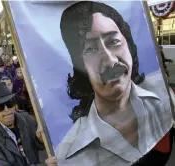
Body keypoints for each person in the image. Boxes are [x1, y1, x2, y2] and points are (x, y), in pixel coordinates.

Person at [54, 1, 174, 166]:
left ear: (128, 45)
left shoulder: (161, 93)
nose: (110, 61)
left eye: (113, 42)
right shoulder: (70, 150)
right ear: (80, 65)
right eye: (91, 49)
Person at [0, 82, 53, 166]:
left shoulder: (26, 118)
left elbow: (39, 146)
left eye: (9, 104)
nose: (7, 110)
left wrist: (39, 140)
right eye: (0, 107)